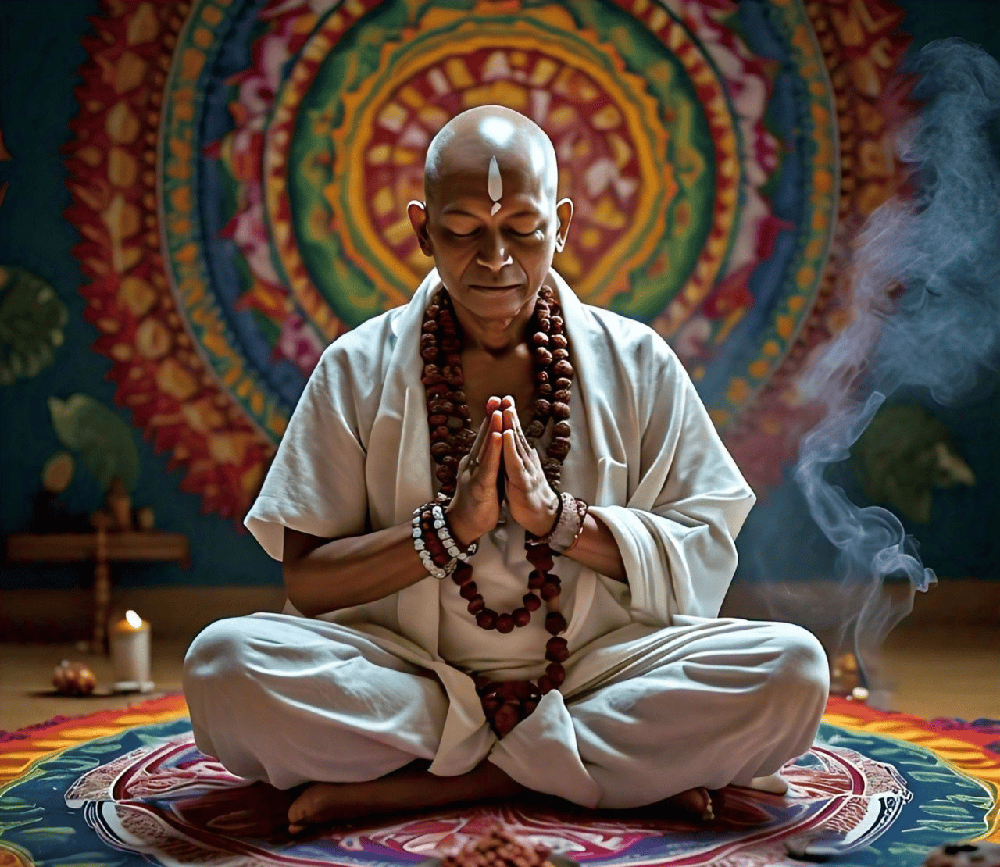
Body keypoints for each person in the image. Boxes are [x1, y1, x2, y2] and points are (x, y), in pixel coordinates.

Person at [183, 104, 829, 834]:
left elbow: (705, 550)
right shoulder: (356, 368)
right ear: (422, 229)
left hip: (594, 672)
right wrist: (449, 530)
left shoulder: (638, 361)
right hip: (409, 678)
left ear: (562, 224)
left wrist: (559, 522)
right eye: (463, 232)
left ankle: (426, 785)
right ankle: (591, 777)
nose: (496, 259)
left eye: (522, 229)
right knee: (224, 667)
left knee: (792, 670)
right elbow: (306, 577)